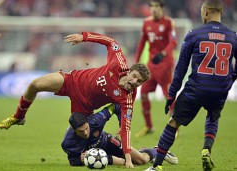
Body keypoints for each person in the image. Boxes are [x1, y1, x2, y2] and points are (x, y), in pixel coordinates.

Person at [0, 32, 151, 168]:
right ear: (130, 71)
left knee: (81, 136)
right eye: (135, 77)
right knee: (35, 84)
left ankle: (141, 153)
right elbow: (111, 42)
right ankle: (18, 117)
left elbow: (126, 128)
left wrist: (128, 159)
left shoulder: (128, 98)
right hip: (72, 80)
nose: (135, 82)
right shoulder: (118, 63)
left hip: (83, 107)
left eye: (139, 82)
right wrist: (83, 37)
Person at [144, 0, 237, 170]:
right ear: (221, 13)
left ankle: (156, 166)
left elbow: (181, 68)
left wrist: (171, 95)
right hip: (220, 90)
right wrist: (231, 79)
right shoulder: (233, 36)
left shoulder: (194, 34)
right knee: (212, 116)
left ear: (206, 12)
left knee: (173, 123)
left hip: (196, 88)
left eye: (202, 12)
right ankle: (206, 150)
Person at [62, 103, 178, 167]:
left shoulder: (96, 120)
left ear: (88, 122)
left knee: (141, 160)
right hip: (98, 155)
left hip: (107, 142)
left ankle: (157, 151)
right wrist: (81, 160)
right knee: (127, 162)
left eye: (86, 128)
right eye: (81, 132)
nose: (86, 132)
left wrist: (121, 125)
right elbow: (73, 161)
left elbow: (116, 106)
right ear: (73, 129)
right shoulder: (68, 143)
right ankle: (141, 152)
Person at [134, 0, 177, 138]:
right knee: (144, 93)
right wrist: (136, 61)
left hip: (165, 64)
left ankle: (174, 126)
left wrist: (163, 54)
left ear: (162, 8)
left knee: (168, 95)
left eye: (156, 6)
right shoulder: (146, 23)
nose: (153, 9)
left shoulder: (169, 23)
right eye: (151, 6)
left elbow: (173, 41)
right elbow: (142, 43)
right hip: (151, 65)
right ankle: (149, 126)